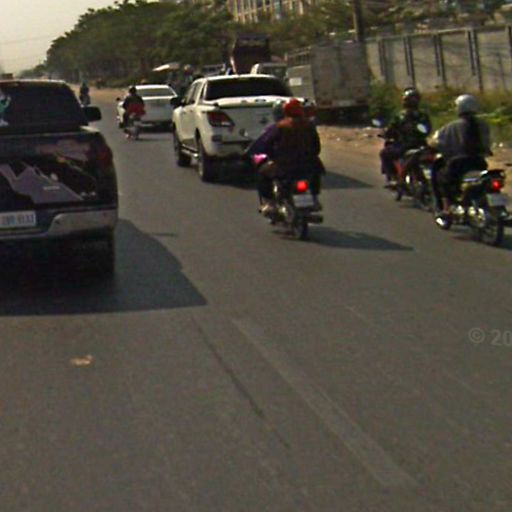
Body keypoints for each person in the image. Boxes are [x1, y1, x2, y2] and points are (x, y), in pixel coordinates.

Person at [249, 98, 324, 213]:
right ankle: (314, 198)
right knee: (316, 172)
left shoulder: (281, 126)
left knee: (262, 173)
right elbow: (316, 147)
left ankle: (269, 203)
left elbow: (267, 143)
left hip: (284, 165)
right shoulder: (309, 126)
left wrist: (273, 156)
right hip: (307, 164)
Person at [432, 94, 491, 215]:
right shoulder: (483, 125)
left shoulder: (450, 127)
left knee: (442, 179)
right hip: (479, 162)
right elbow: (487, 143)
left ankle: (446, 208)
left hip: (458, 164)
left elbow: (437, 142)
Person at [379, 87, 432, 187]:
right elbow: (428, 130)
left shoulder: (400, 116)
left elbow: (391, 130)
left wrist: (386, 134)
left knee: (384, 153)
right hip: (421, 145)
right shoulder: (423, 115)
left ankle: (393, 178)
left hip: (404, 146)